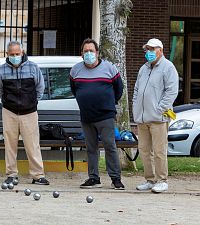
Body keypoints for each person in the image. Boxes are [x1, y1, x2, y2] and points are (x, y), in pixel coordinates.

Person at [69, 38, 125, 190]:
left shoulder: (109, 68)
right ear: (81, 54)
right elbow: (75, 89)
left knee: (109, 146)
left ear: (97, 53)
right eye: (85, 51)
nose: (88, 54)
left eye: (91, 51)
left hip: (105, 115)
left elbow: (119, 89)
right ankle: (93, 178)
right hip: (87, 116)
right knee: (91, 148)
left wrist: (108, 103)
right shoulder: (75, 70)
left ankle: (115, 179)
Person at [0, 40, 49, 185]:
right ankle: (11, 174)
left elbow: (40, 88)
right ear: (7, 54)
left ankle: (38, 175)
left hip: (29, 112)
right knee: (10, 145)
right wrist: (7, 101)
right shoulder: (1, 70)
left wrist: (32, 102)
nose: (15, 56)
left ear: (22, 52)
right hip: (9, 111)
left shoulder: (33, 67)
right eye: (12, 54)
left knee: (32, 144)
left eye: (17, 53)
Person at [133, 38, 179, 193]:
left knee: (159, 150)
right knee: (144, 150)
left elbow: (171, 91)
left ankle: (162, 180)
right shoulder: (143, 69)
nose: (149, 52)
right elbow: (137, 91)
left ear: (161, 50)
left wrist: (160, 109)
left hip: (158, 118)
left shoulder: (168, 67)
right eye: (147, 49)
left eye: (152, 49)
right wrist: (136, 108)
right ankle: (150, 179)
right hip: (142, 117)